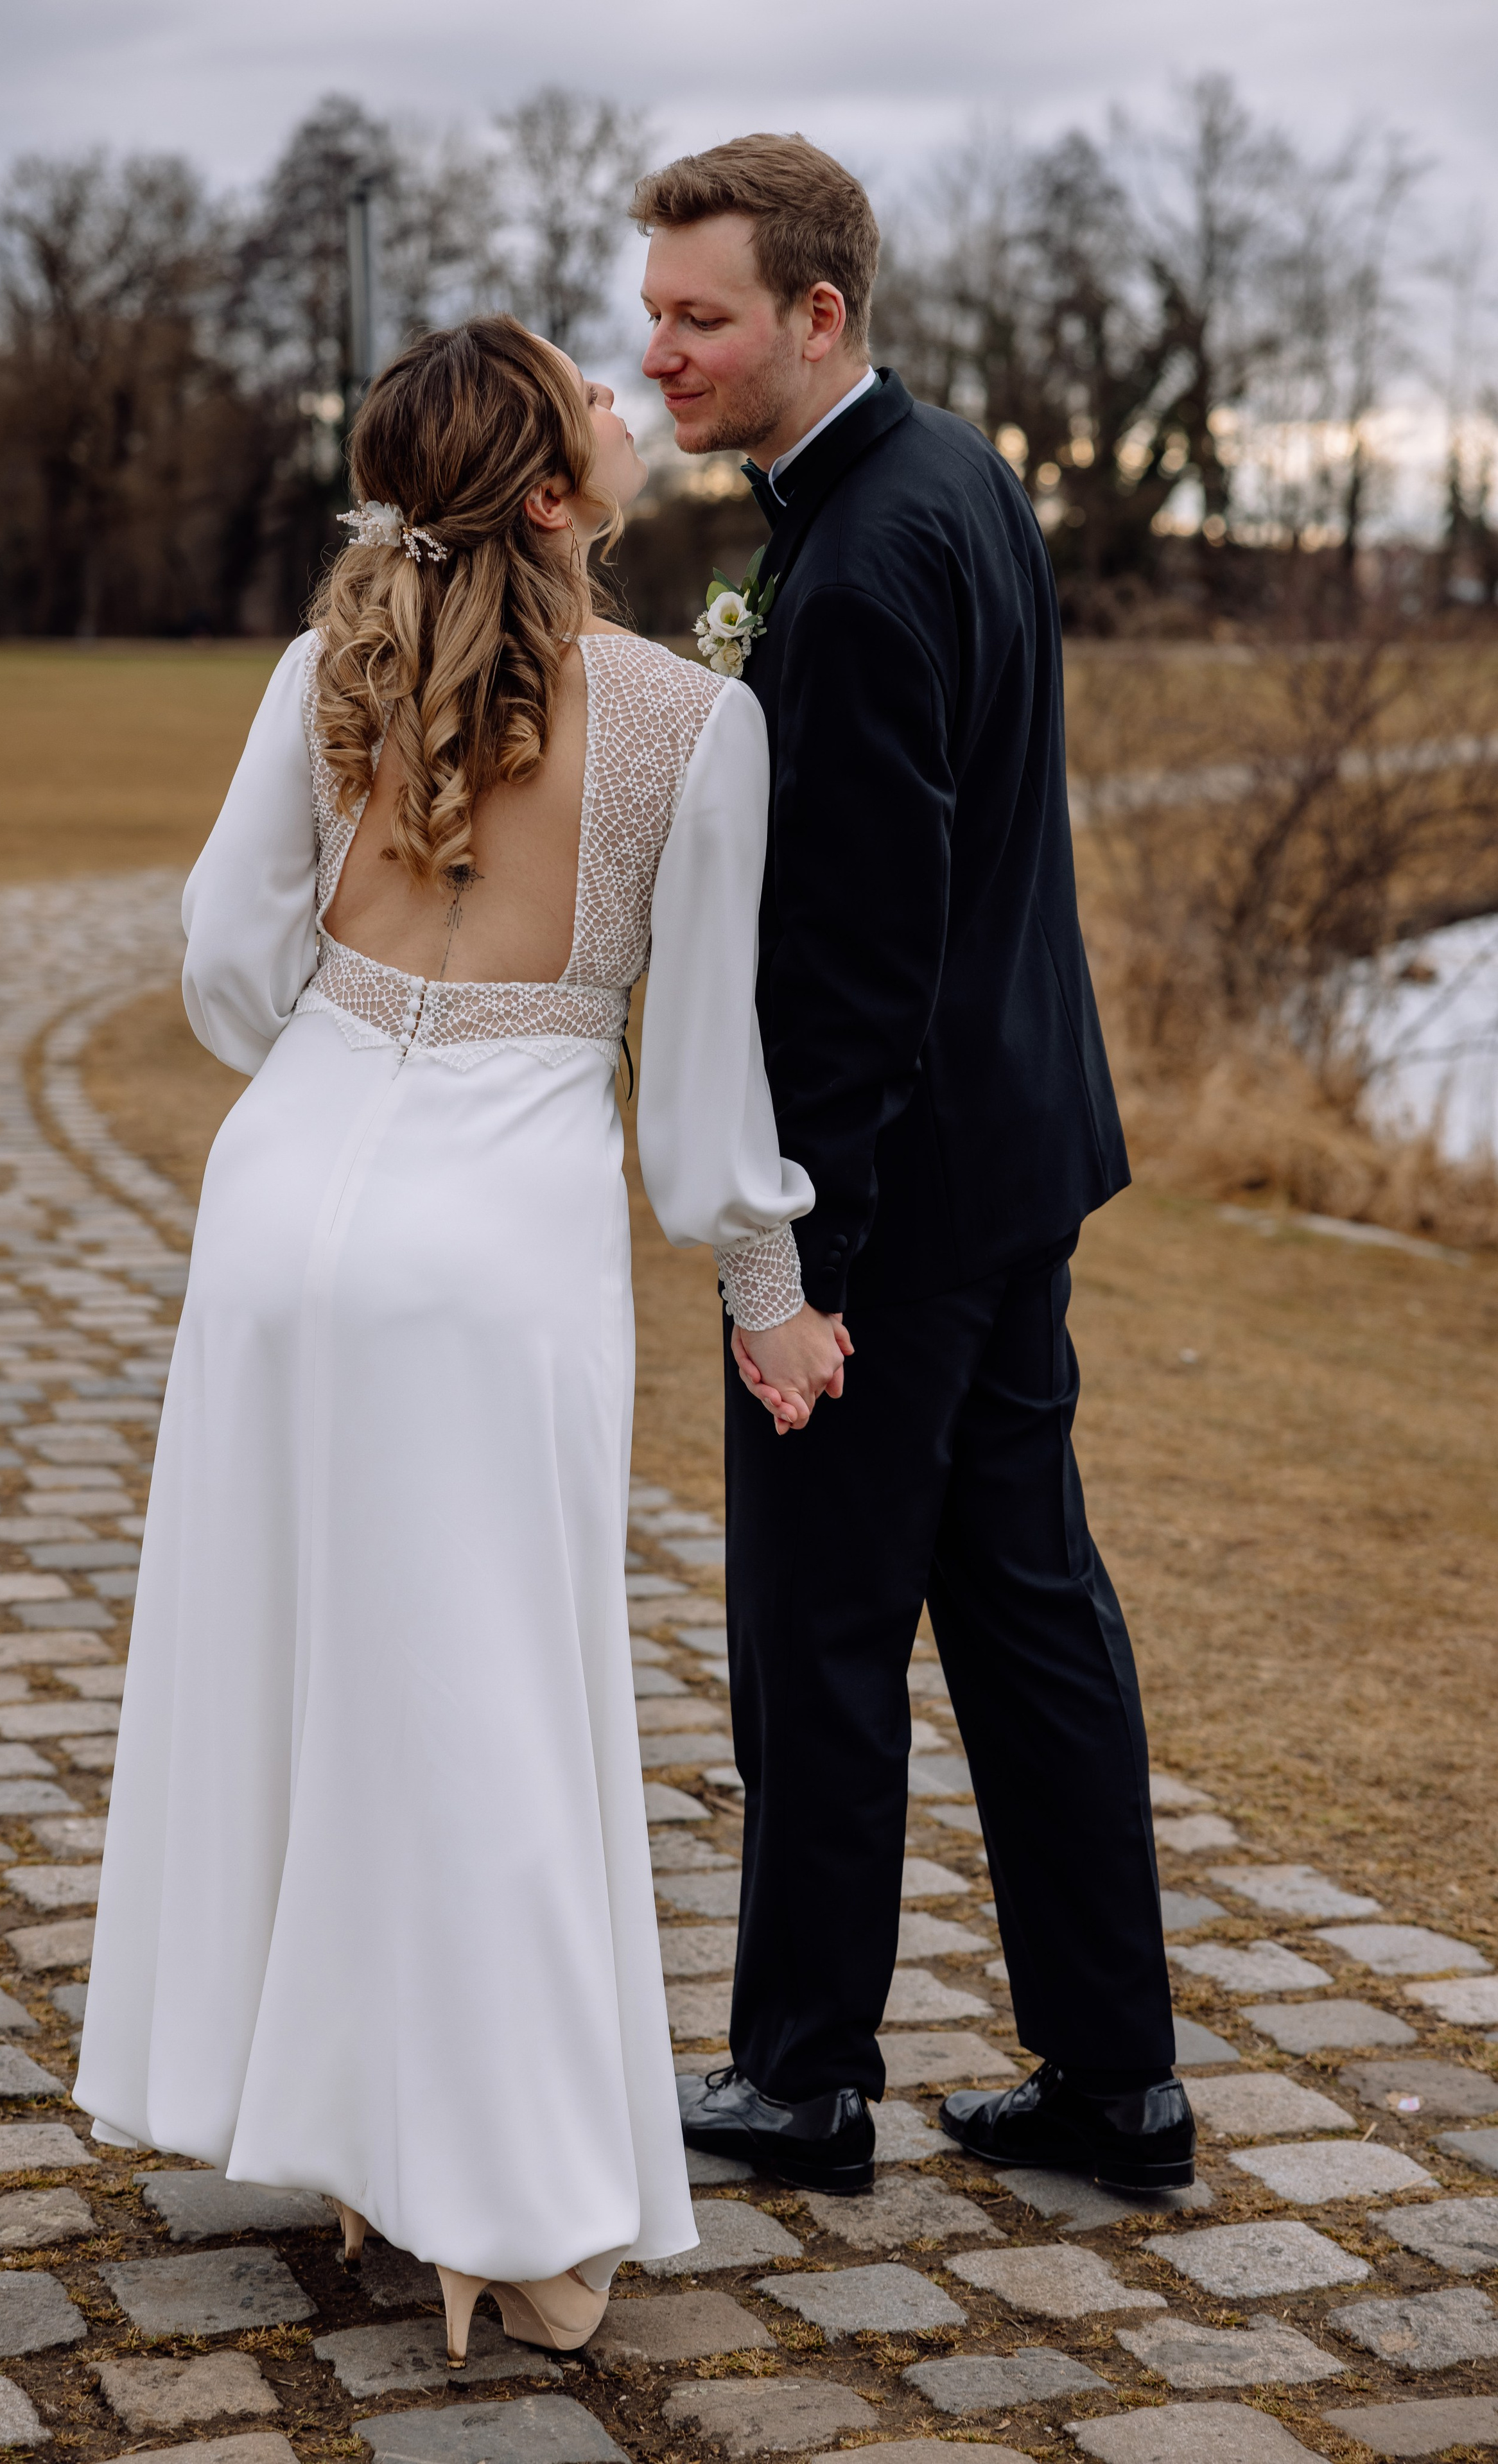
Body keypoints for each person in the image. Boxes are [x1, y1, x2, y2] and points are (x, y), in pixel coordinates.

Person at [72, 314, 817, 2359]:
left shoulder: (332, 669)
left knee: (295, 1668)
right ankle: (515, 2218)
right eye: (590, 389)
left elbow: (232, 960)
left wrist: (341, 1045)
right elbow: (699, 1101)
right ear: (563, 494)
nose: (615, 383)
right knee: (485, 1714)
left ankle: (338, 2137)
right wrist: (770, 1296)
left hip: (283, 1206)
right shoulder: (687, 723)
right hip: (493, 1244)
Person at [635, 137, 1196, 2195]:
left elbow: (859, 966)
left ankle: (800, 2076)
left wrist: (799, 1267)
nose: (664, 349)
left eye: (704, 316)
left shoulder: (862, 564)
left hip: (891, 1195)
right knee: (1031, 1606)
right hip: (1023, 1157)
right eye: (658, 313)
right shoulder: (952, 475)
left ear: (818, 316)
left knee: (819, 1629)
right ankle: (1117, 2080)